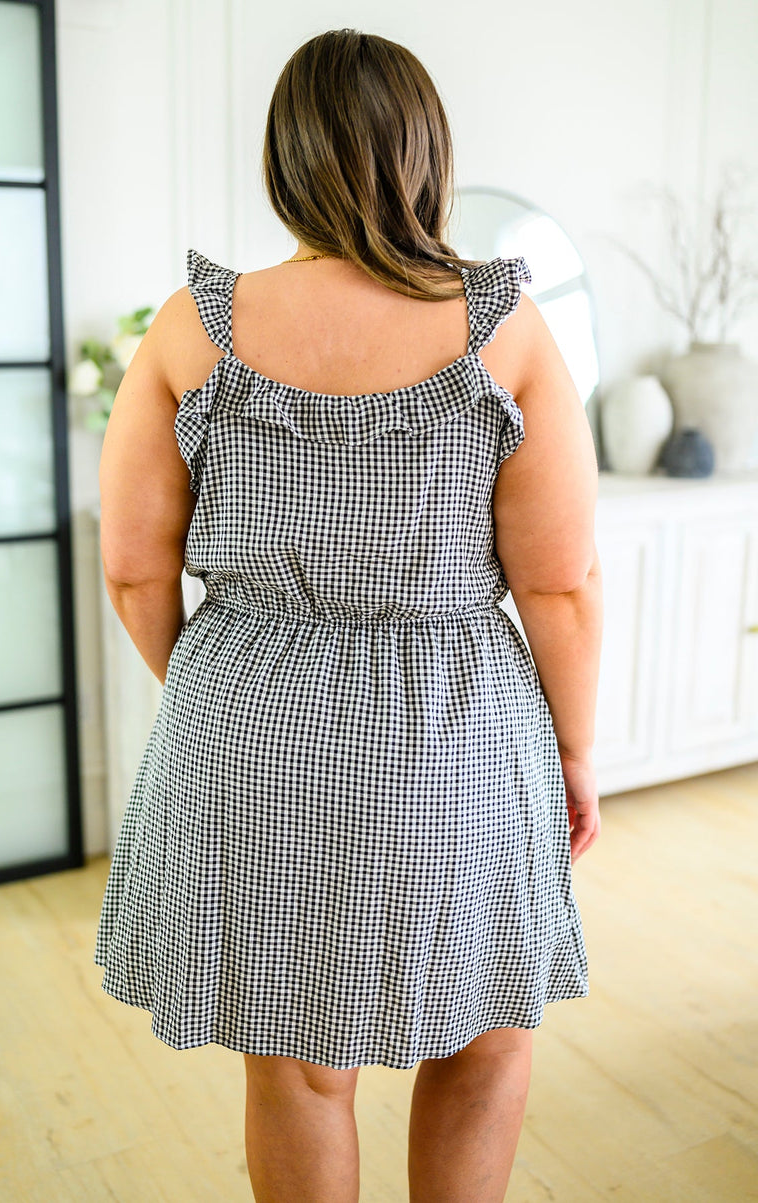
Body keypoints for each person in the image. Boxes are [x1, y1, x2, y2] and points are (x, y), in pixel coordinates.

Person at [94, 27, 603, 1203]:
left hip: (244, 722)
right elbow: (559, 581)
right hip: (457, 727)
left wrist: (230, 689)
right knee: (483, 1041)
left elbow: (131, 566)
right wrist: (574, 751)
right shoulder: (503, 330)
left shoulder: (192, 327)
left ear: (286, 162)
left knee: (295, 1064)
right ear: (427, 154)